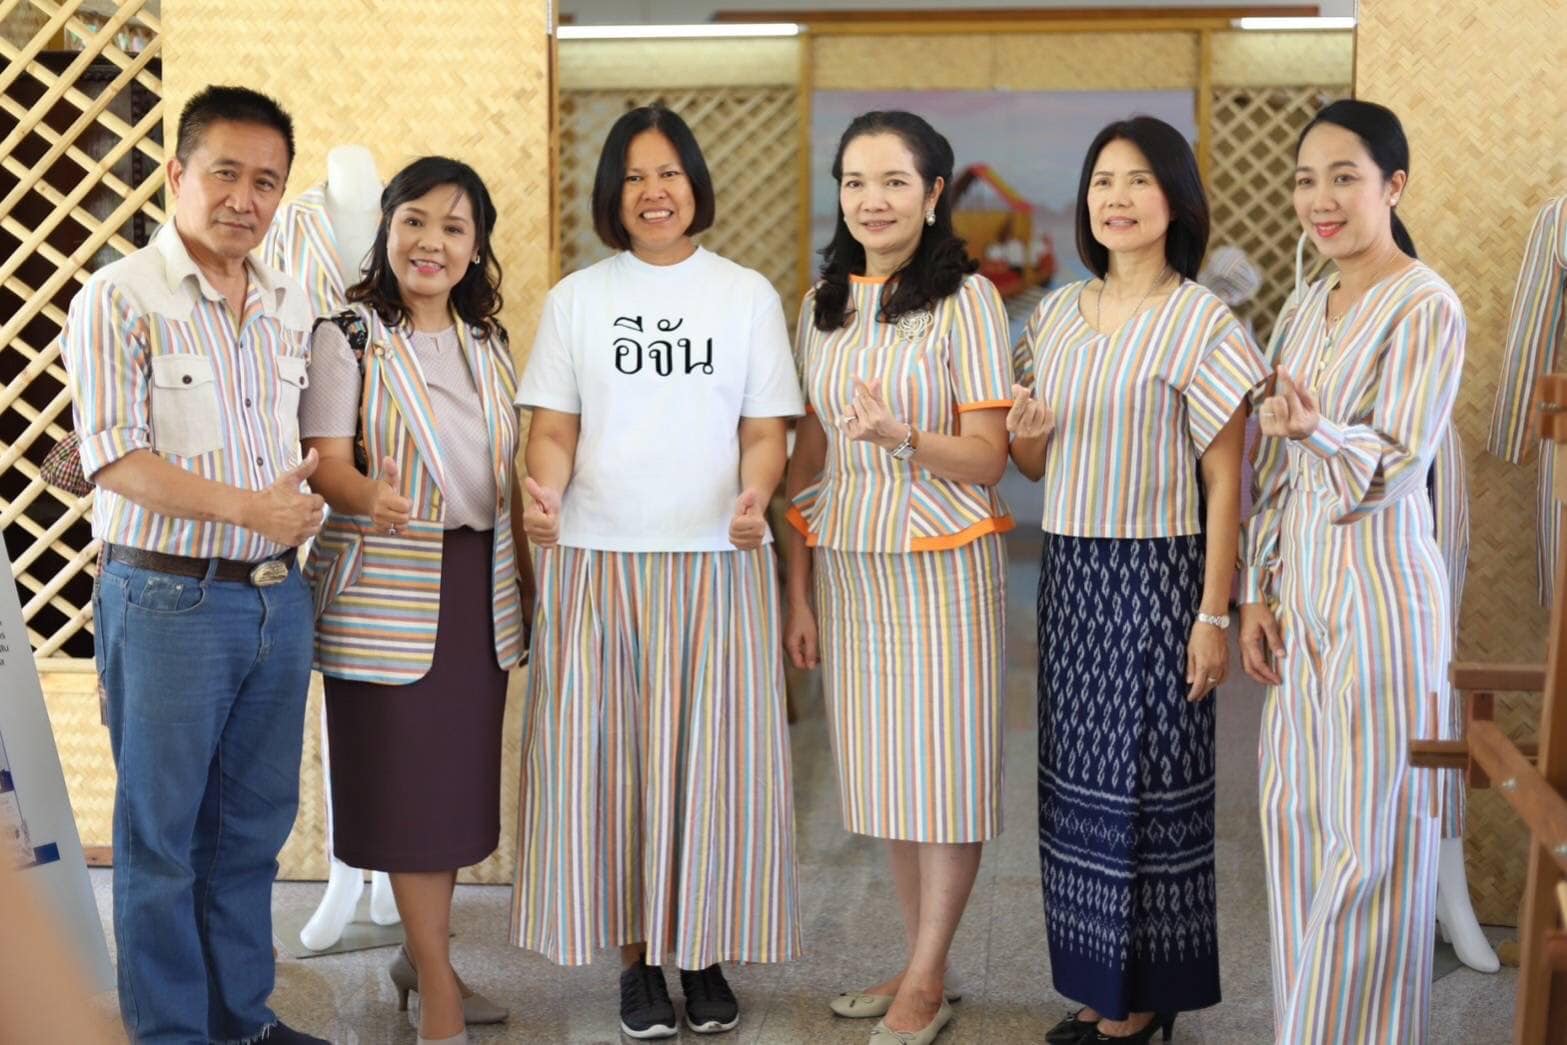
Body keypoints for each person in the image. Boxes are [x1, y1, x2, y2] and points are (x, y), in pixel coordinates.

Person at [511, 104, 803, 1040]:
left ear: (695, 185)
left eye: (669, 172)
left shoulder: (745, 294)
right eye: (634, 176)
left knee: (709, 766)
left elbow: (767, 429)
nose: (653, 192)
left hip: (717, 563)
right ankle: (637, 961)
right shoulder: (577, 299)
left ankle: (705, 949)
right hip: (599, 564)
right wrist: (545, 493)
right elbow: (553, 427)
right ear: (612, 194)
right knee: (615, 768)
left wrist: (756, 494)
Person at [60, 84, 327, 1045]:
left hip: (274, 601)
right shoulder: (118, 296)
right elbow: (115, 455)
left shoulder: (290, 303)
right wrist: (249, 509)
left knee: (250, 834)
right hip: (167, 596)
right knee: (161, 842)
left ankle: (241, 1020)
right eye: (225, 173)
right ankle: (171, 1032)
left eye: (266, 182)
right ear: (175, 174)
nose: (244, 199)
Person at [1011, 116, 1265, 1045]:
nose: (1115, 199)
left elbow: (1225, 478)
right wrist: (1027, 434)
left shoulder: (1202, 318)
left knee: (1145, 788)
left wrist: (1213, 613)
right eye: (1101, 182)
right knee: (1076, 784)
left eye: (1137, 182)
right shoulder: (1053, 317)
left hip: (1158, 575)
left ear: (1175, 200)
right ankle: (1099, 983)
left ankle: (1141, 1000)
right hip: (1072, 572)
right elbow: (1032, 462)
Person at [783, 110, 1013, 1045]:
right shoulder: (819, 301)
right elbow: (807, 454)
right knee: (887, 776)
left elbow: (990, 455)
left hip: (946, 562)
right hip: (849, 561)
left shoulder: (971, 301)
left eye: (891, 181)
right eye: (853, 181)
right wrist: (795, 590)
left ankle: (923, 976)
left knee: (946, 773)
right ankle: (924, 957)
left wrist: (903, 438)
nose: (870, 199)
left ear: (931, 194)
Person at [1240, 99, 1464, 1044]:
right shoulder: (1304, 301)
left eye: (1344, 177)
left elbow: (1398, 460)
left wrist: (1314, 426)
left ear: (1393, 186)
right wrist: (1255, 590)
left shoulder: (1425, 302)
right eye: (1305, 179)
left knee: (1371, 845)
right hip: (1302, 602)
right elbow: (1274, 471)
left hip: (1381, 599)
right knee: (1293, 825)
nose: (1320, 199)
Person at [299, 156, 528, 1045]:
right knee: (405, 797)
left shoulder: (489, 344)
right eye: (415, 221)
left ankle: (421, 957)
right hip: (388, 590)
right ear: (386, 230)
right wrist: (367, 497)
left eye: (454, 228)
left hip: (479, 592)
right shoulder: (347, 334)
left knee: (452, 797)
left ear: (475, 251)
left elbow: (503, 458)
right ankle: (434, 980)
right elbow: (326, 458)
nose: (432, 242)